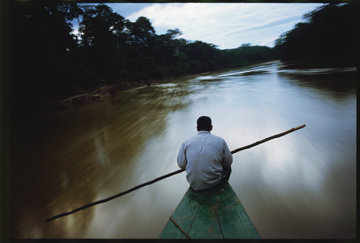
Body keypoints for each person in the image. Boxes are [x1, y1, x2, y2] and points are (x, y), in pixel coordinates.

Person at [177, 116, 233, 191]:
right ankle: (223, 187)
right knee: (228, 169)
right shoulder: (220, 141)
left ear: (197, 128)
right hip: (215, 183)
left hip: (193, 184)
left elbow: (181, 165)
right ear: (211, 127)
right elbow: (228, 163)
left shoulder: (186, 143)